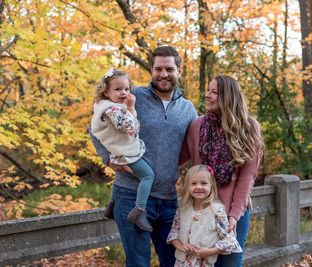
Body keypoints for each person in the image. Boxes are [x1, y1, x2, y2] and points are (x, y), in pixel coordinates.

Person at [90, 46, 198, 267]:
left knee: (174, 261)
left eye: (169, 68)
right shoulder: (131, 95)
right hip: (130, 195)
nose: (163, 74)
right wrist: (107, 159)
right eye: (158, 68)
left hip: (168, 199)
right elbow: (94, 128)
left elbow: (195, 148)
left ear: (179, 70)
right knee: (138, 262)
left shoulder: (188, 110)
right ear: (151, 70)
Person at [180, 75, 264, 267]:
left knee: (230, 265)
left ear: (228, 97)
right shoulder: (197, 126)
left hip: (232, 213)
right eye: (208, 90)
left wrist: (233, 217)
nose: (207, 95)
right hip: (200, 212)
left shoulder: (249, 127)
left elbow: (247, 178)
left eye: (214, 92)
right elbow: (178, 159)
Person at [91, 68, 154, 232]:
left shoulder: (104, 106)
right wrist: (131, 107)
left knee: (119, 175)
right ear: (106, 91)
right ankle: (139, 210)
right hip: (126, 153)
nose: (123, 93)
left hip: (119, 151)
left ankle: (111, 205)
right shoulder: (112, 109)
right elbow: (127, 126)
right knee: (148, 176)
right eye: (117, 89)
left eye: (126, 89)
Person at [167, 165, 242, 267]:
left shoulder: (217, 212)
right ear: (188, 186)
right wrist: (181, 246)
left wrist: (209, 252)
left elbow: (231, 242)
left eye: (204, 183)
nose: (198, 187)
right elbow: (174, 232)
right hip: (181, 263)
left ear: (211, 186)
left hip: (204, 263)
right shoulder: (182, 209)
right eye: (193, 183)